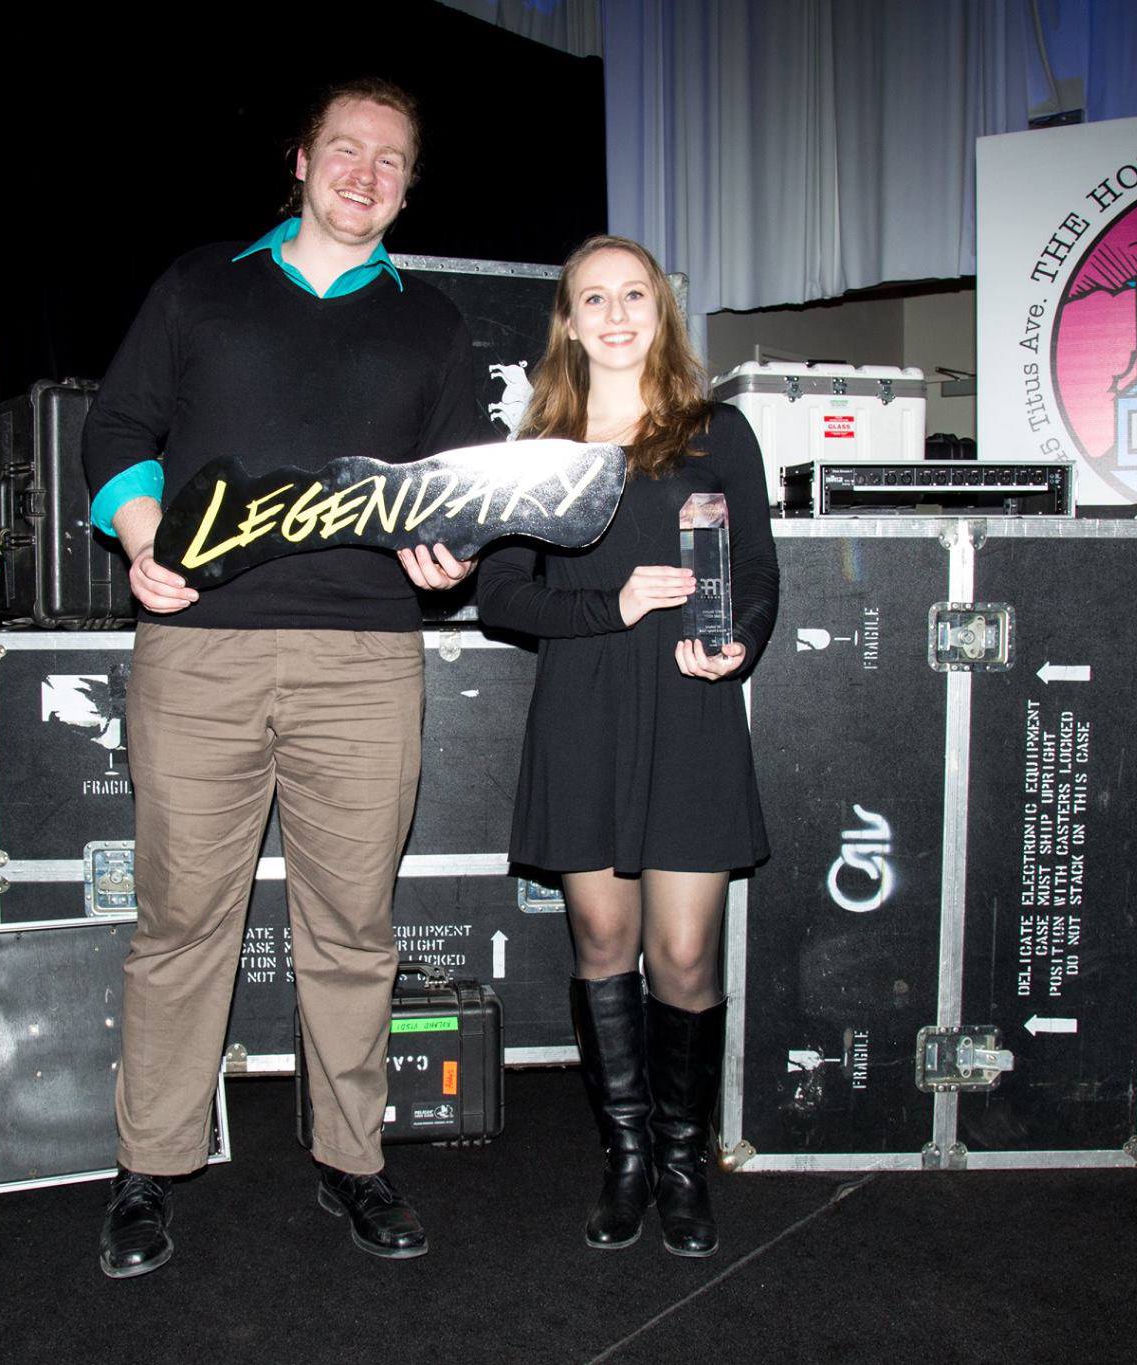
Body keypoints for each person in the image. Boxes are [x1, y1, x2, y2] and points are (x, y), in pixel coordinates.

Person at [79, 77, 483, 1279]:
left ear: (408, 185)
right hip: (198, 650)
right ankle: (149, 1165)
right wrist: (145, 539)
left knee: (352, 930)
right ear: (301, 161)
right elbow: (115, 433)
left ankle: (351, 1161)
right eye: (346, 150)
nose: (366, 173)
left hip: (364, 660)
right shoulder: (201, 285)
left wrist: (449, 548)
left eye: (392, 161)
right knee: (180, 924)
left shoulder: (434, 326)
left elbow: (452, 496)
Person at [475, 235, 777, 1257]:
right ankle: (626, 1159)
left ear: (661, 311)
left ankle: (684, 1168)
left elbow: (759, 575)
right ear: (565, 320)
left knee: (683, 952)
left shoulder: (716, 432)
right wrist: (611, 603)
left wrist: (735, 646)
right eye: (591, 298)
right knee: (604, 945)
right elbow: (500, 597)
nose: (613, 314)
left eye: (632, 295)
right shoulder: (539, 448)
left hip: (688, 708)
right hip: (584, 707)